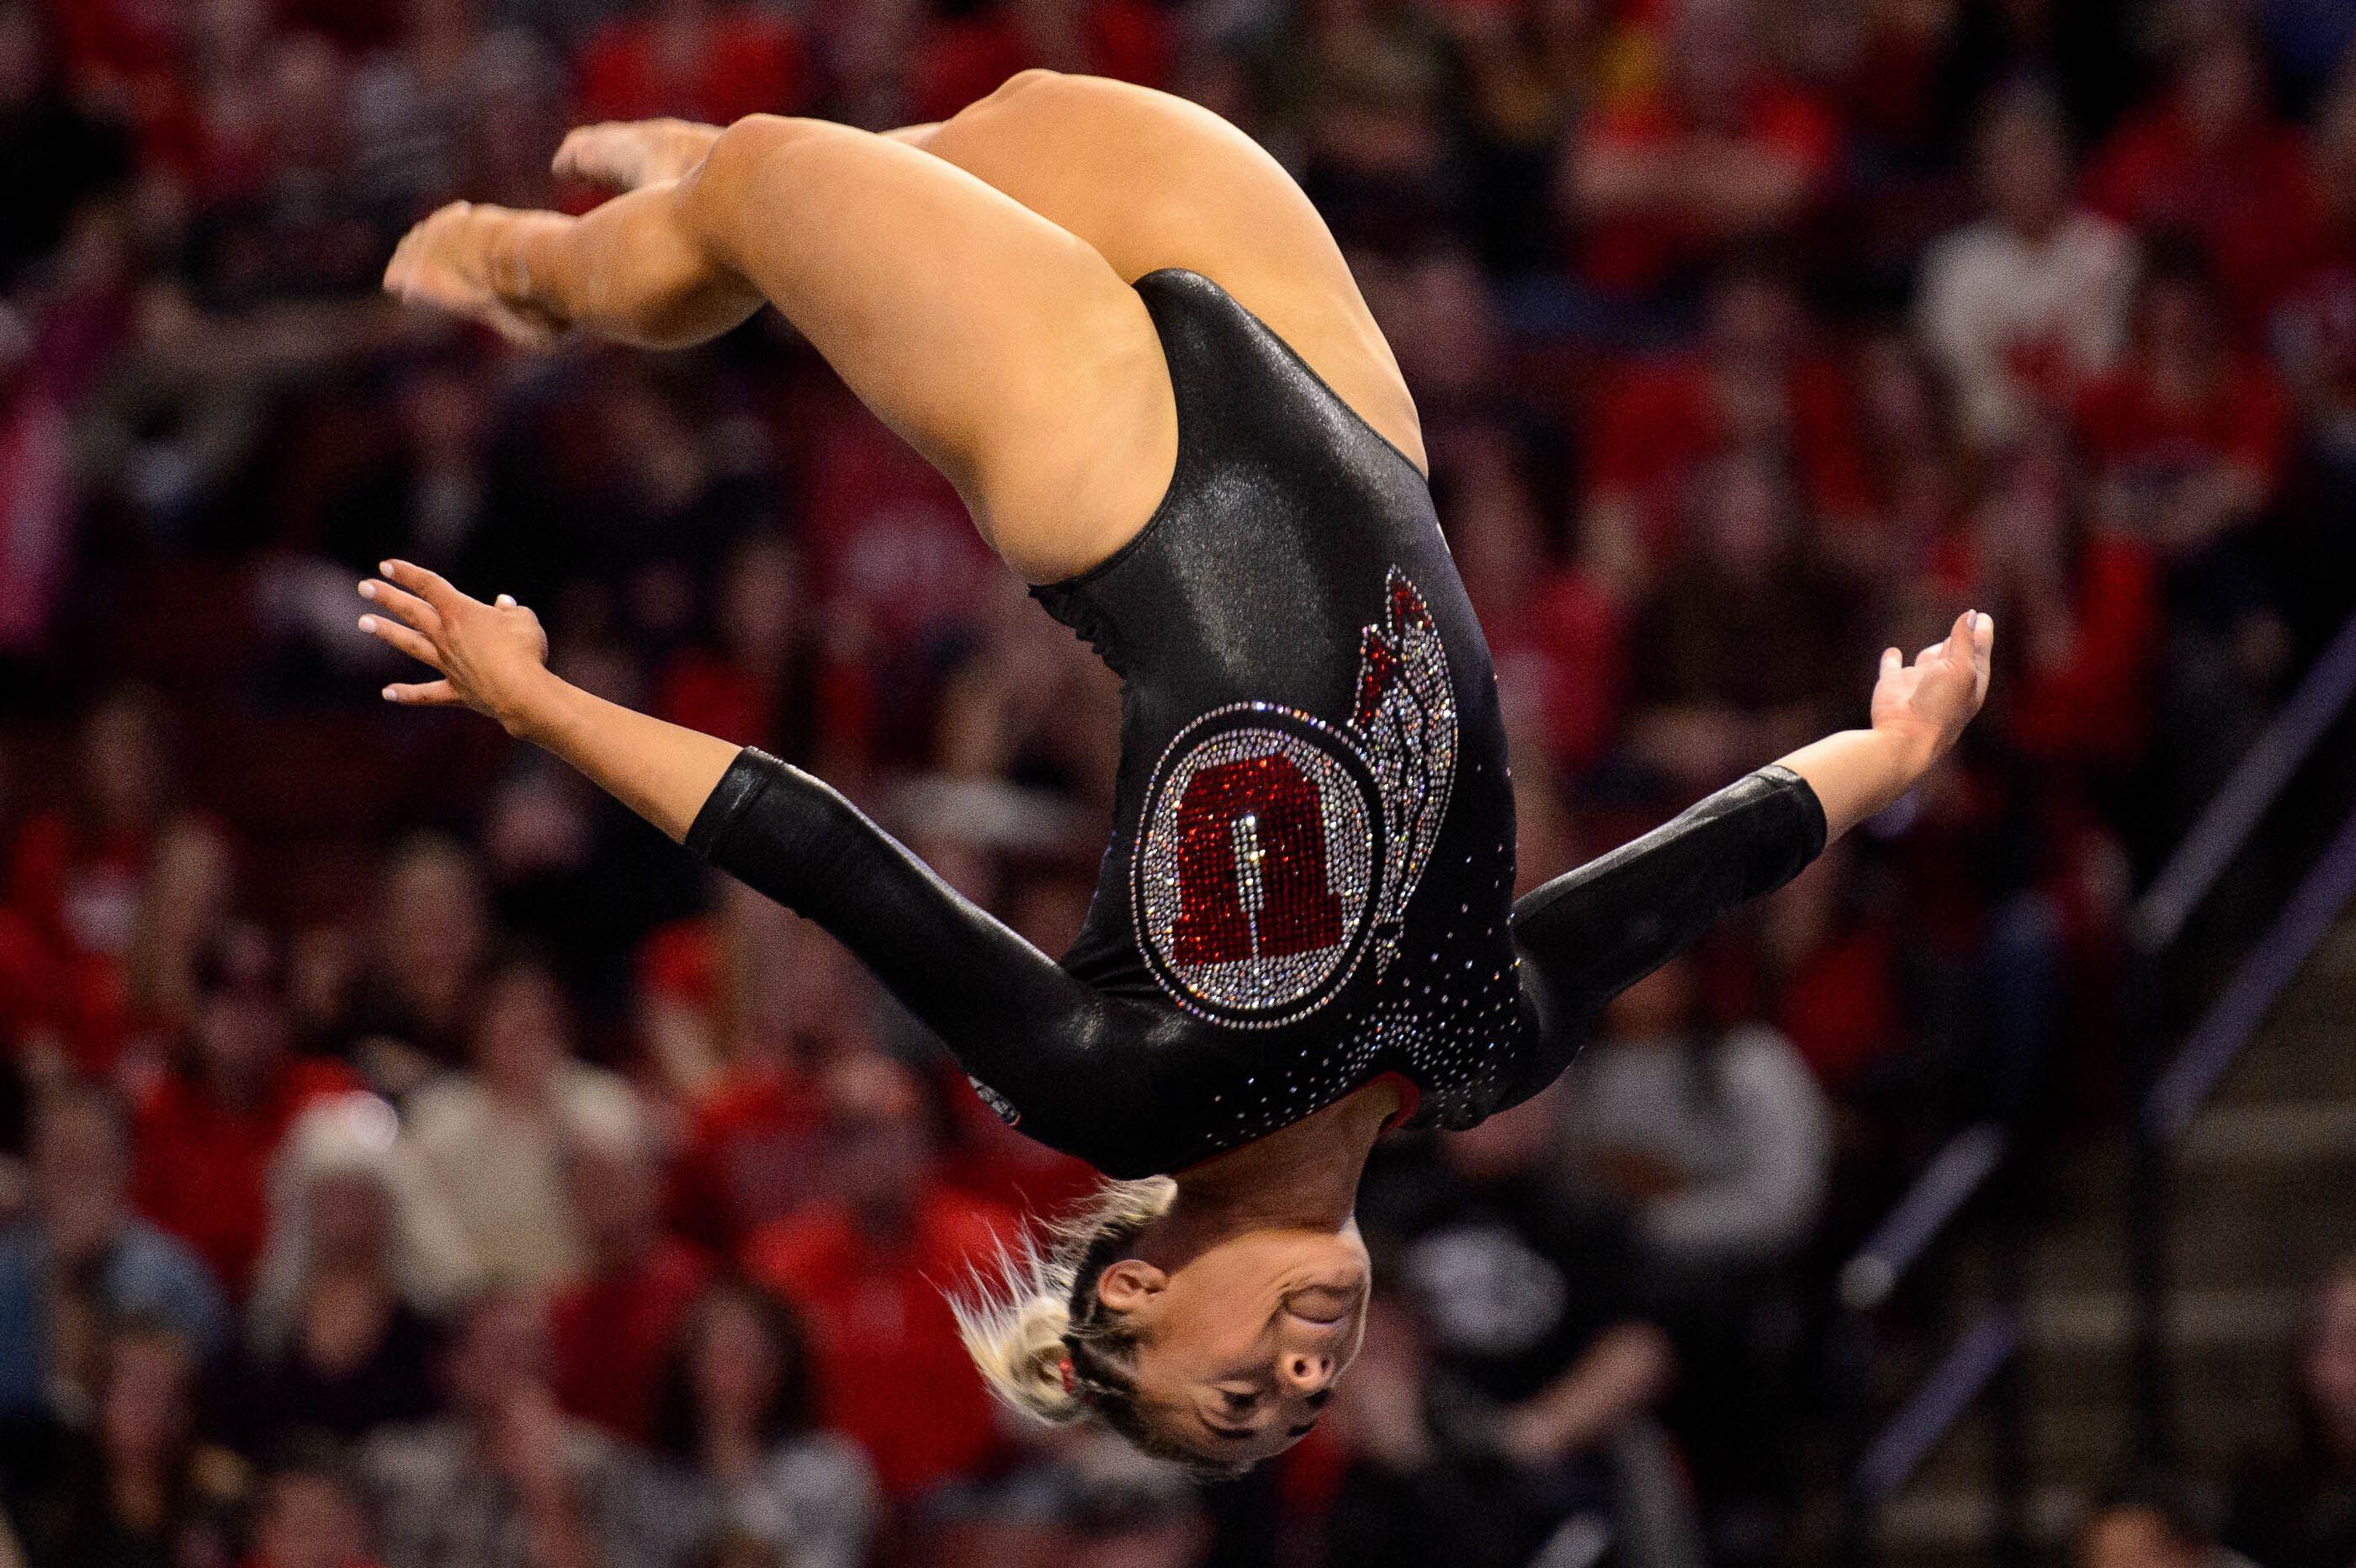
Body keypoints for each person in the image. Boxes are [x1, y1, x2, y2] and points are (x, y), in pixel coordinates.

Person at [366, 68, 1995, 1467]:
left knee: (762, 176)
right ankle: (739, 208)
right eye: (1298, 1407)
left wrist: (537, 702)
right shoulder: (1478, 1058)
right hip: (1344, 407)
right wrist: (1887, 748)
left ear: (1130, 1292)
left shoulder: (1116, 1084)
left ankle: (561, 273)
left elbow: (821, 852)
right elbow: (1690, 872)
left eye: (1238, 1396)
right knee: (998, 123)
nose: (1302, 1375)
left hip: (1102, 466)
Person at [648, 1278, 877, 1568]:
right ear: (689, 1362)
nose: (747, 1370)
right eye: (731, 1352)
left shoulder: (831, 1471)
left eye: (763, 1353)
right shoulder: (652, 1484)